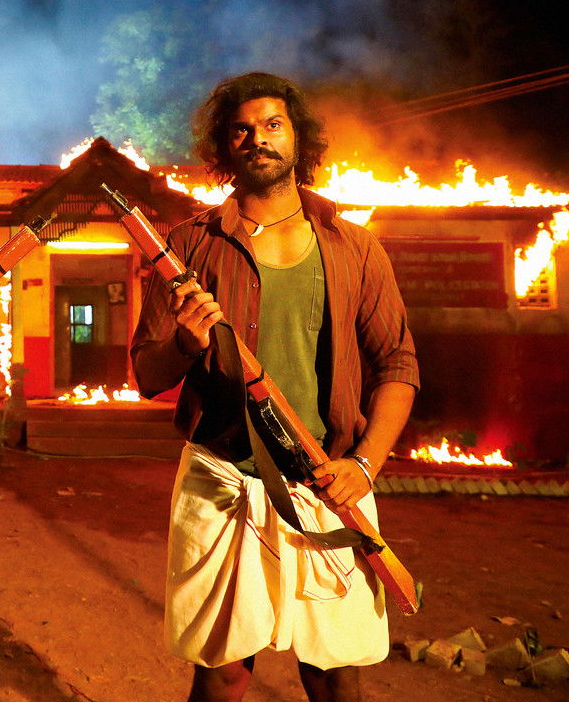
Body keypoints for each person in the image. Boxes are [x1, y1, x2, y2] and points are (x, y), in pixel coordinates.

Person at [131, 72, 419, 702]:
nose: (256, 139)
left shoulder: (354, 247)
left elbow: (397, 366)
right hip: (224, 478)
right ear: (223, 146)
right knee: (223, 672)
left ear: (298, 137)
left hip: (328, 481)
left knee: (335, 672)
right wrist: (188, 343)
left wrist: (364, 466)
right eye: (241, 129)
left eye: (272, 125)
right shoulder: (188, 245)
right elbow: (147, 373)